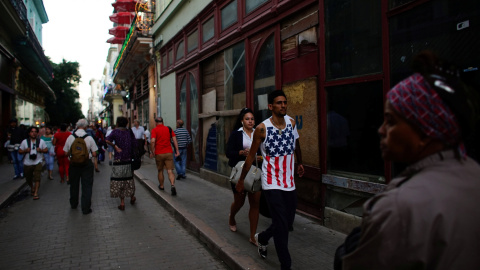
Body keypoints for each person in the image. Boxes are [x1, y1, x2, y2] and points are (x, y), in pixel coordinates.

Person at [338, 51, 480, 269]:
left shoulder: (399, 207)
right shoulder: (472, 173)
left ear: (425, 131)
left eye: (391, 121)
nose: (381, 130)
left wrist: (344, 255)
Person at [236, 90, 304, 270]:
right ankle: (286, 265)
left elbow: (296, 143)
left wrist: (300, 163)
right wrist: (242, 179)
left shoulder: (291, 122)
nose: (283, 105)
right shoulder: (262, 129)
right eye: (279, 103)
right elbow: (251, 157)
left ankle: (263, 237)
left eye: (285, 102)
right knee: (282, 227)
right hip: (271, 182)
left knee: (287, 223)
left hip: (289, 182)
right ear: (271, 106)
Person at [226, 108, 262, 246]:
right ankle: (232, 217)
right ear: (242, 121)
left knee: (255, 204)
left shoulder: (259, 134)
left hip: (255, 173)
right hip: (240, 173)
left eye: (252, 119)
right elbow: (228, 152)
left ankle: (253, 236)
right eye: (247, 119)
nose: (250, 121)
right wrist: (241, 152)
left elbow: (264, 151)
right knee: (239, 202)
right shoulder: (236, 134)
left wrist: (258, 156)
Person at [63, 119, 98, 215]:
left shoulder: (70, 137)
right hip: (86, 164)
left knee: (74, 185)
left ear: (77, 126)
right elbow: (94, 153)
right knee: (87, 186)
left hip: (74, 164)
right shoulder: (89, 138)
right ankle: (86, 208)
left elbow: (65, 153)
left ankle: (74, 204)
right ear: (86, 127)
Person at [105, 117, 137, 211]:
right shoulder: (129, 132)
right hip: (129, 159)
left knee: (120, 180)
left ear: (117, 123)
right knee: (129, 179)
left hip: (118, 159)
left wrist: (115, 146)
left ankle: (122, 202)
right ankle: (132, 197)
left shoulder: (115, 132)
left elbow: (107, 140)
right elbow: (135, 144)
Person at [150, 117, 180, 196]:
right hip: (169, 152)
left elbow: (153, 141)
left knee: (160, 171)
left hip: (159, 153)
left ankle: (162, 186)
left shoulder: (154, 130)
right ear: (163, 122)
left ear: (156, 122)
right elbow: (174, 140)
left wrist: (152, 151)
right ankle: (172, 185)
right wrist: (177, 151)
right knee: (170, 170)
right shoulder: (168, 129)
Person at [18, 126, 48, 200]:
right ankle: (32, 187)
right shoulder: (25, 142)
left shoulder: (41, 141)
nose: (33, 133)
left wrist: (40, 150)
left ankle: (36, 193)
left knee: (37, 177)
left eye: (35, 132)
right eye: (32, 132)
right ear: (29, 133)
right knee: (28, 178)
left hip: (38, 162)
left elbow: (46, 150)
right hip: (27, 163)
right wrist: (25, 151)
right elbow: (20, 151)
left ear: (37, 133)